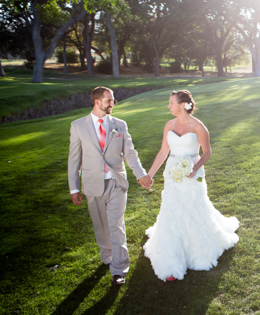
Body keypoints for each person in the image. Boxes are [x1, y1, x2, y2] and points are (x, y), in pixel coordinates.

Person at [143, 89, 239, 281]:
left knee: (193, 208)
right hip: (172, 173)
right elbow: (163, 152)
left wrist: (194, 169)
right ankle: (171, 258)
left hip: (192, 173)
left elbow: (207, 153)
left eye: (171, 103)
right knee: (172, 209)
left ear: (182, 105)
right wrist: (149, 174)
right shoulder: (169, 125)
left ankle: (197, 249)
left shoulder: (198, 127)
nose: (168, 106)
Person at [68, 86, 152, 285]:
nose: (113, 104)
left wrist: (140, 174)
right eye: (109, 100)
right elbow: (74, 159)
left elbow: (130, 153)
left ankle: (119, 269)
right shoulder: (78, 126)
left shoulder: (120, 125)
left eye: (112, 100)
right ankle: (107, 256)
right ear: (97, 102)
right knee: (101, 225)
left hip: (116, 182)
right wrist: (74, 188)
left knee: (115, 224)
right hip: (91, 184)